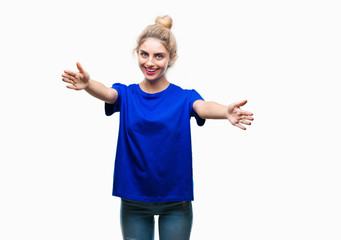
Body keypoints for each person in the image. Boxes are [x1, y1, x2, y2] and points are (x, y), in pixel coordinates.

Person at [62, 15, 253, 240]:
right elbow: (107, 93)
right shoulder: (126, 94)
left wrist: (225, 111)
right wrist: (87, 85)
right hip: (134, 199)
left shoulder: (184, 98)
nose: (150, 63)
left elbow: (203, 108)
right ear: (137, 54)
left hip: (175, 201)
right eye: (144, 54)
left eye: (159, 56)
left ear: (171, 59)